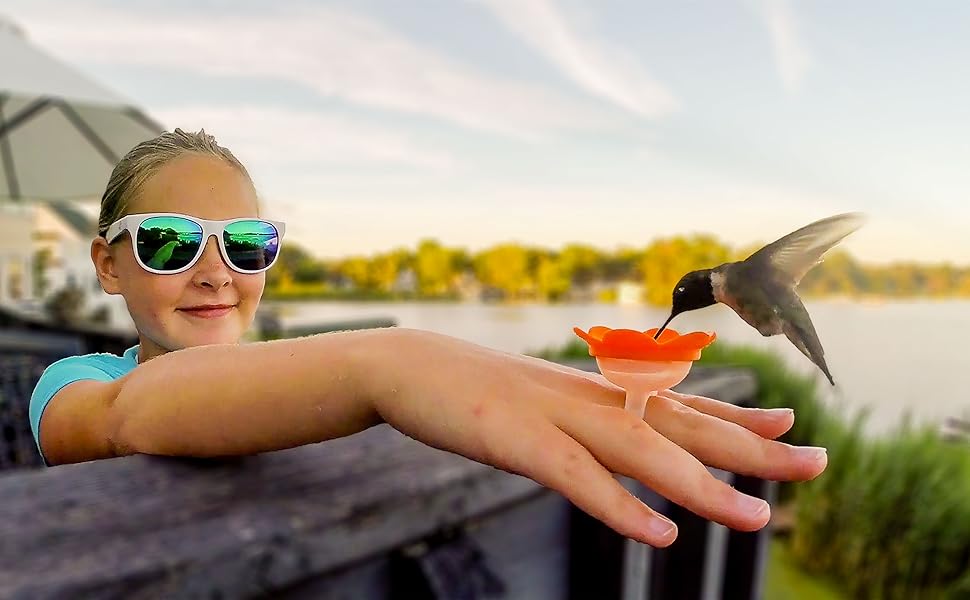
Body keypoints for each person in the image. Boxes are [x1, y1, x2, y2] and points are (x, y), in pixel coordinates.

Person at [29, 129, 827, 549]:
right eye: (169, 242)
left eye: (246, 243)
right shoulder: (75, 383)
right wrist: (390, 362)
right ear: (107, 263)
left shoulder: (303, 384)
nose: (215, 272)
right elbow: (124, 417)